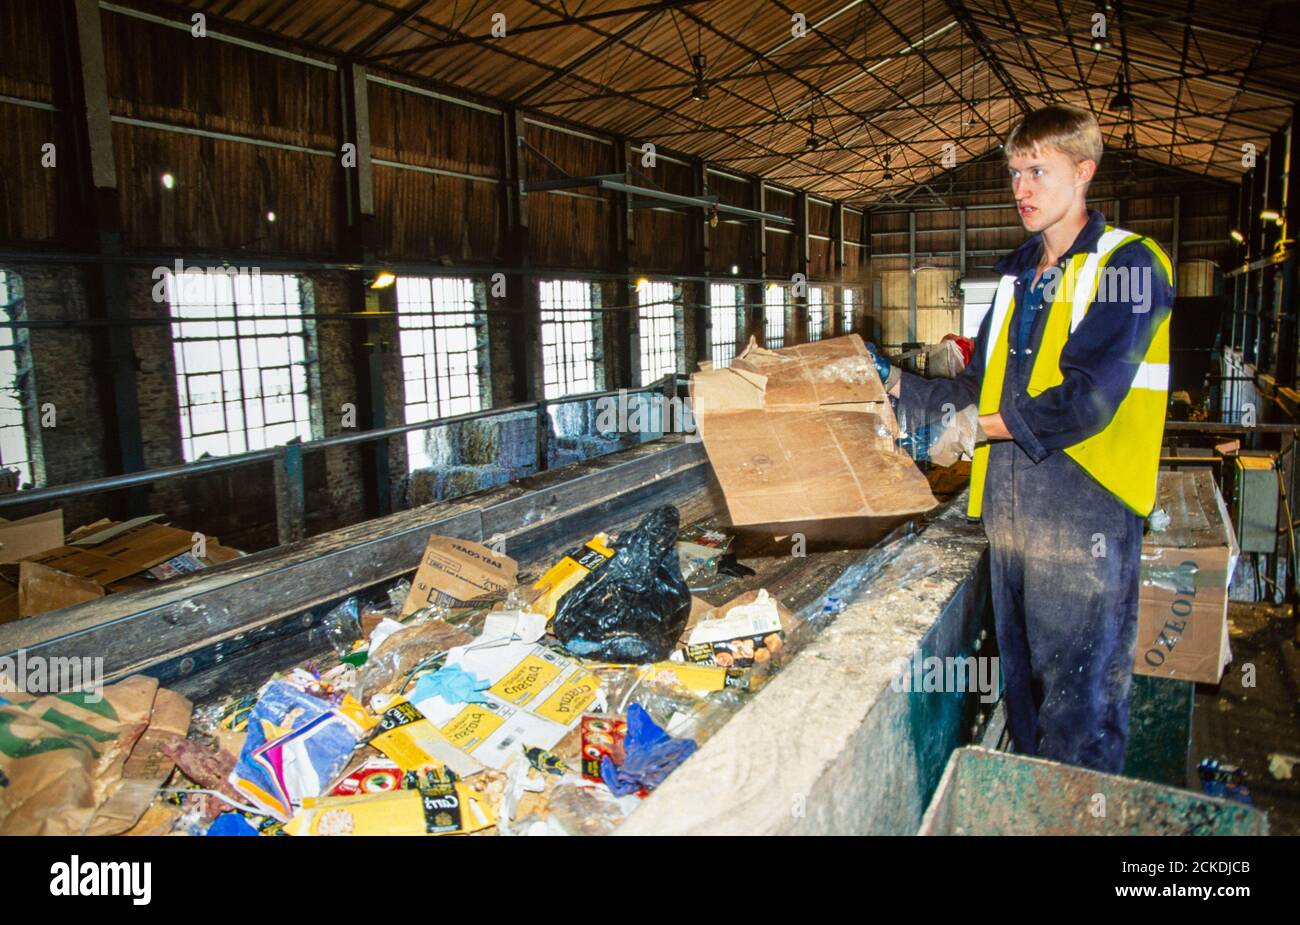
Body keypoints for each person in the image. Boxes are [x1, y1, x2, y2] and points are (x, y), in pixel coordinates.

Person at [868, 104, 1174, 773]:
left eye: (1039, 169)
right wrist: (891, 380)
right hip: (1009, 519)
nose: (1022, 188)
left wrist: (972, 427)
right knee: (1027, 702)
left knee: (1081, 710)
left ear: (1084, 170)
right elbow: (978, 392)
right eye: (1014, 172)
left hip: (1083, 518)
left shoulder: (1131, 266)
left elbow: (1086, 399)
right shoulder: (1014, 275)